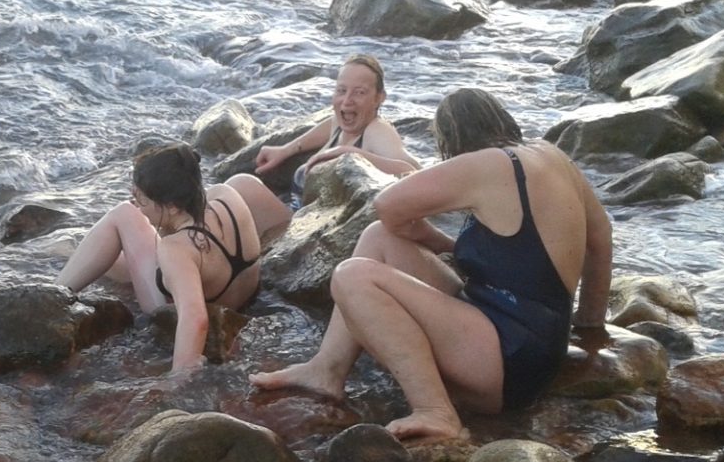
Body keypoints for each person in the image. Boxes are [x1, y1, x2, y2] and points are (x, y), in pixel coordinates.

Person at [250, 88, 612, 440]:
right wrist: (590, 325)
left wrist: (431, 237)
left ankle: (436, 411)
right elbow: (600, 239)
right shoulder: (552, 155)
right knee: (378, 237)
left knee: (353, 277)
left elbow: (388, 205)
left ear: (452, 140)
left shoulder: (483, 164)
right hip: (536, 348)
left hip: (507, 360)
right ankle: (327, 368)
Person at [58, 142, 261, 372]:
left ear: (172, 206)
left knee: (122, 215)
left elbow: (196, 318)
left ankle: (56, 294)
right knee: (121, 251)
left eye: (141, 200)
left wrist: (178, 376)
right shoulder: (226, 195)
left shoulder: (176, 249)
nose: (137, 205)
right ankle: (77, 254)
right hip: (242, 296)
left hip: (177, 310)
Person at [230, 54, 421, 240]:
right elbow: (317, 133)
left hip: (302, 233)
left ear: (379, 98)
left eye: (359, 92)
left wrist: (350, 153)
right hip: (297, 217)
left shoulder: (377, 130)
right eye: (341, 90)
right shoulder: (339, 123)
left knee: (240, 186)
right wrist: (284, 150)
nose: (347, 100)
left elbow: (412, 171)